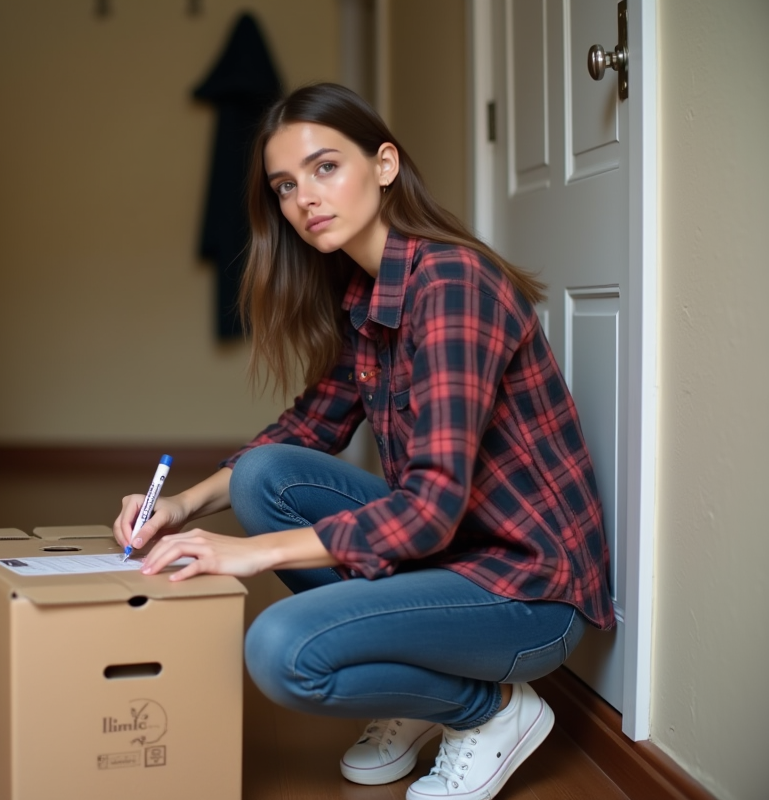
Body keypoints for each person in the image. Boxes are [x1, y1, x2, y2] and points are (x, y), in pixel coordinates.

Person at [112, 83, 613, 800]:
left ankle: (491, 711)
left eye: (325, 168)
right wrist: (183, 508)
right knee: (263, 474)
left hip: (528, 595)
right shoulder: (368, 294)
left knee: (282, 648)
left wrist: (250, 556)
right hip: (451, 561)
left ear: (384, 164)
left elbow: (433, 507)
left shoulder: (453, 286)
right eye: (286, 185)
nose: (304, 199)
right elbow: (304, 432)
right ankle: (424, 698)